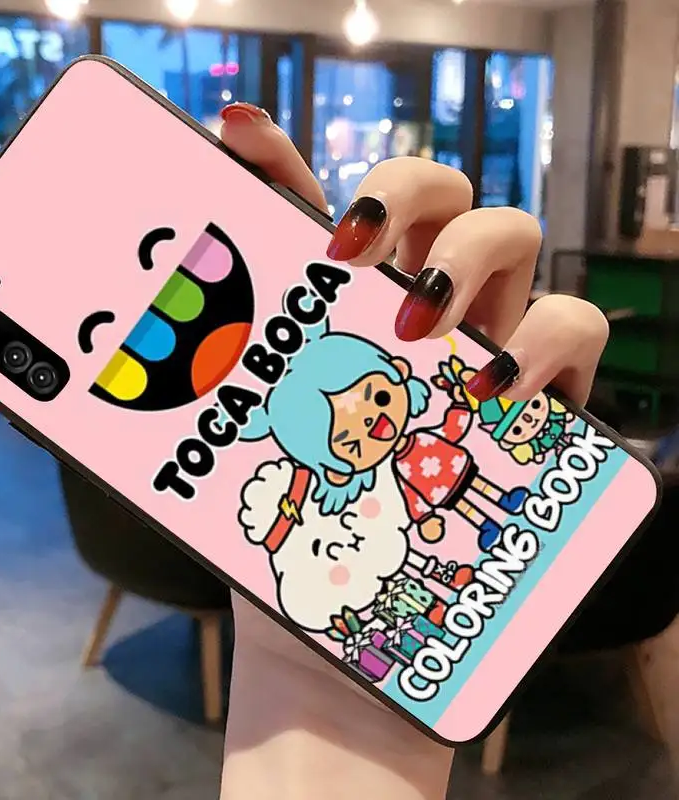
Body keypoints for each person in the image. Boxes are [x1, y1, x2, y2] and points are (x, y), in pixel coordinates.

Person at [216, 101, 609, 800]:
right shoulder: (339, 518)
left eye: (373, 395)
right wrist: (312, 699)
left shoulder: (411, 444)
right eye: (347, 437)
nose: (371, 427)